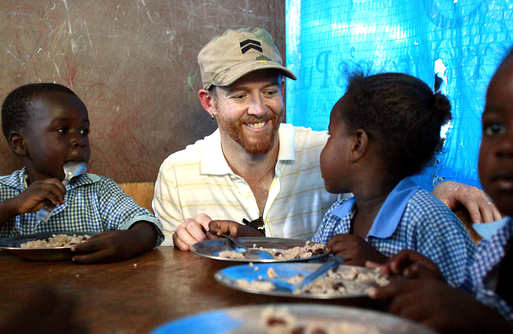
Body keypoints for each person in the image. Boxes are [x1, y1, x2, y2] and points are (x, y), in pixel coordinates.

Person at [153, 27, 501, 251]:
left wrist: (437, 190)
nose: (259, 109)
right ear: (208, 102)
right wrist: (194, 241)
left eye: (270, 90)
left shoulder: (327, 153)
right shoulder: (177, 174)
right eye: (239, 96)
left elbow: (388, 172)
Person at [368, 47, 513, 333]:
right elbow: (472, 307)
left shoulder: (426, 215)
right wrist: (438, 288)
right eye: (495, 127)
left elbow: (480, 317)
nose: (506, 146)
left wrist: (480, 320)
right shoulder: (496, 249)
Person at [308, 72, 475, 286]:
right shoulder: (336, 217)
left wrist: (380, 265)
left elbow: (461, 306)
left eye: (330, 135)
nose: (325, 148)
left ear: (357, 144)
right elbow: (307, 276)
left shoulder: (427, 220)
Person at [0, 83, 164, 263]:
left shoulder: (98, 190)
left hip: (90, 288)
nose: (79, 140)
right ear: (20, 144)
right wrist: (11, 207)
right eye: (63, 130)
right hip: (16, 294)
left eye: (83, 131)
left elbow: (147, 227)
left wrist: (131, 241)